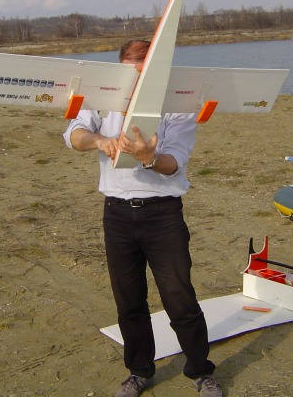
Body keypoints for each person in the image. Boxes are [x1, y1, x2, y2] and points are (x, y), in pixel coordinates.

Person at [63, 40, 223, 397]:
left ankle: (200, 370)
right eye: (128, 74)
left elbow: (176, 162)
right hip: (116, 214)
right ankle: (139, 371)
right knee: (129, 301)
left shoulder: (177, 106)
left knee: (180, 298)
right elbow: (74, 135)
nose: (134, 84)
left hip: (163, 216)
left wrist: (150, 158)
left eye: (143, 74)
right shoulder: (102, 96)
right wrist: (98, 141)